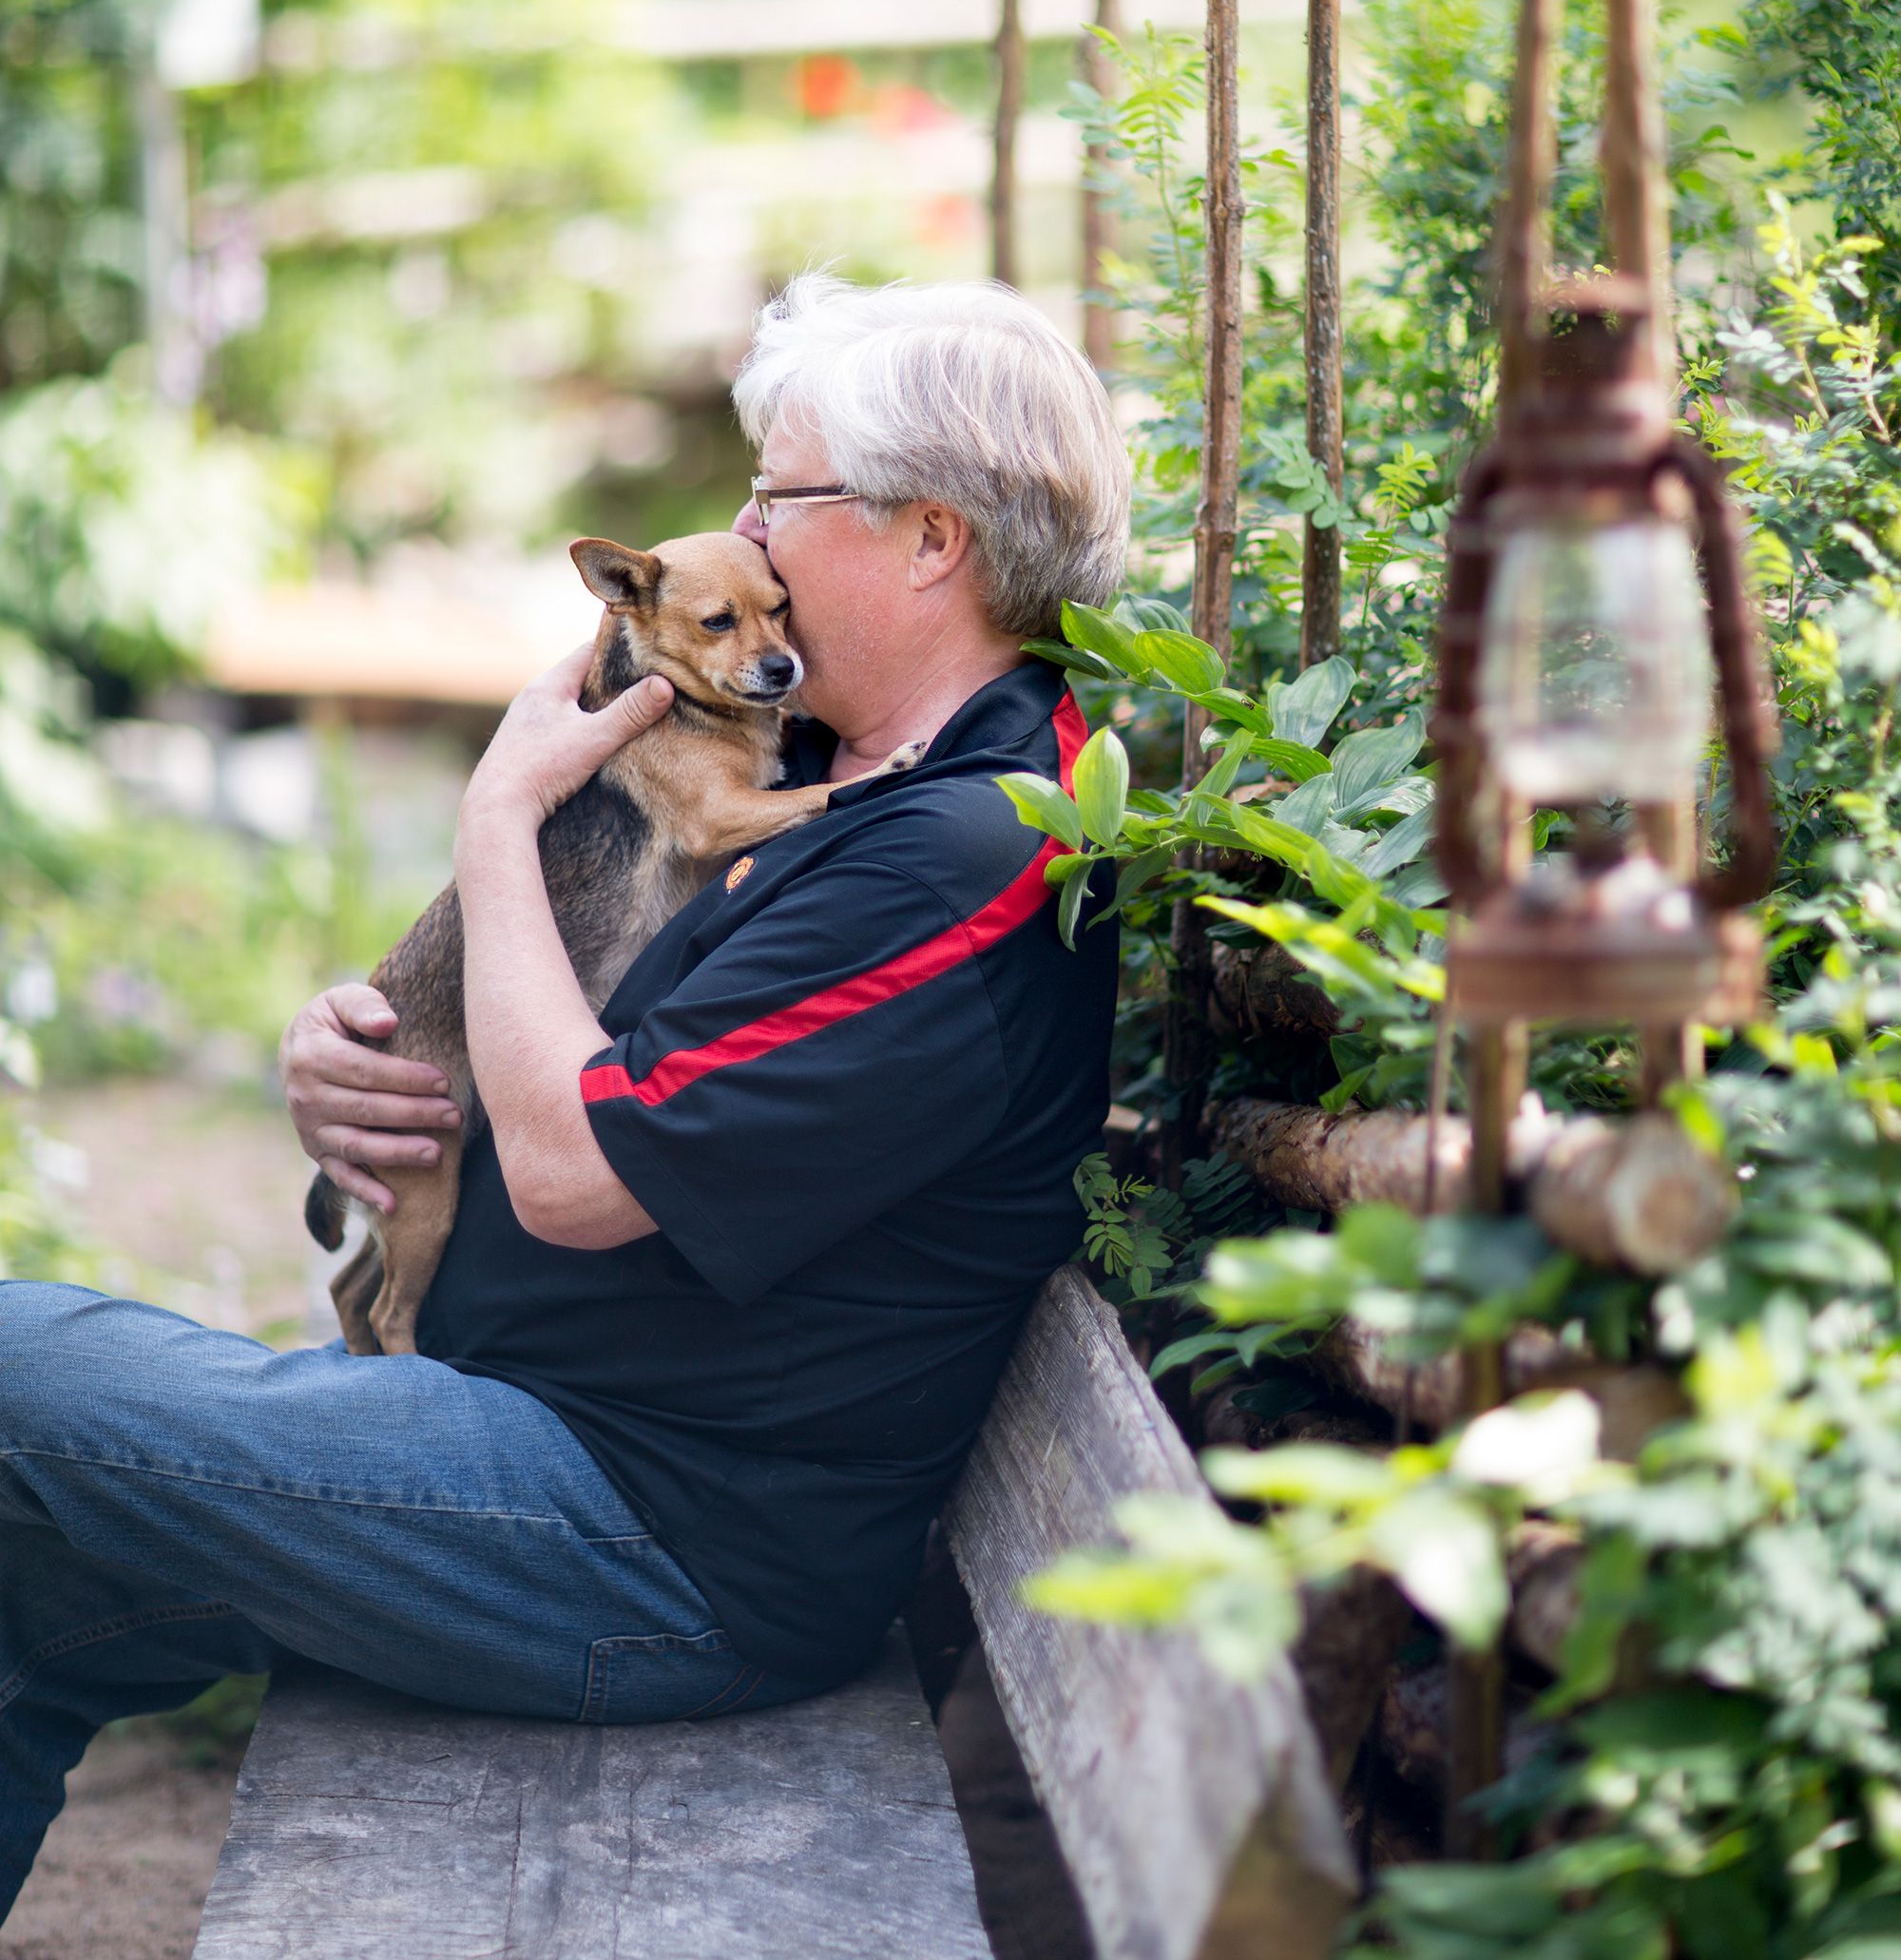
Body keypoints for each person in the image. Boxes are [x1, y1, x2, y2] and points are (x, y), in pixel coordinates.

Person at [0, 273, 1131, 1912]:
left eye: (779, 498)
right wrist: (376, 1073)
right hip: (517, 1451)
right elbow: (558, 1024)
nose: (744, 534)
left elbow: (581, 1172)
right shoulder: (826, 773)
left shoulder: (963, 852)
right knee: (25, 1573)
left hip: (653, 1541)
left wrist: (494, 817)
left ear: (928, 536)